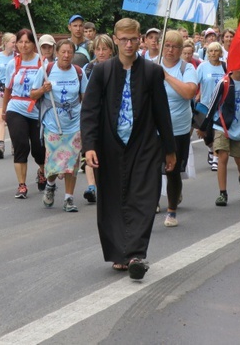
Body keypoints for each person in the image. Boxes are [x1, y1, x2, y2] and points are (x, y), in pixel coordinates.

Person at [81, 18, 176, 280]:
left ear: (141, 39)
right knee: (112, 198)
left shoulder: (151, 72)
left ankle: (135, 254)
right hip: (109, 145)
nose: (129, 44)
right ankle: (118, 253)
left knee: (144, 197)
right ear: (115, 39)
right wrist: (88, 146)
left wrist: (169, 149)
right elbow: (89, 111)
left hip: (143, 143)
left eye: (134, 39)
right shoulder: (102, 72)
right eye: (123, 39)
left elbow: (161, 112)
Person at [31, 39, 88, 212]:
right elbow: (33, 94)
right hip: (53, 124)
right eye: (63, 52)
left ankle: (69, 199)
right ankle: (50, 185)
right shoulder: (46, 71)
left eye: (69, 52)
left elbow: (85, 97)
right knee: (54, 162)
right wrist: (43, 90)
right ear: (56, 53)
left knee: (72, 163)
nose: (66, 55)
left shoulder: (78, 72)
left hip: (74, 124)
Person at [158, 30, 198, 227]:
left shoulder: (186, 68)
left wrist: (166, 76)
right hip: (154, 129)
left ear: (181, 50)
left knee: (172, 171)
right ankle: (150, 206)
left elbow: (189, 92)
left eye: (175, 46)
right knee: (150, 170)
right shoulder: (152, 65)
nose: (170, 50)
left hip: (178, 129)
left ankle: (172, 210)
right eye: (167, 45)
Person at [2, 29, 46, 197]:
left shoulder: (42, 62)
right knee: (21, 145)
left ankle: (42, 172)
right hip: (16, 107)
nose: (23, 45)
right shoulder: (12, 64)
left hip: (36, 109)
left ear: (34, 44)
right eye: (20, 42)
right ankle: (22, 185)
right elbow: (7, 88)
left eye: (27, 42)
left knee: (39, 148)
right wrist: (4, 110)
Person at [205, 70, 240, 207]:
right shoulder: (224, 82)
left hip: (239, 126)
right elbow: (213, 104)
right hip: (222, 125)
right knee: (223, 156)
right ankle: (223, 193)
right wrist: (204, 127)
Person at [81, 34, 116, 203]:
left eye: (104, 49)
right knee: (91, 150)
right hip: (94, 116)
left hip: (111, 118)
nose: (101, 53)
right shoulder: (89, 68)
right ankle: (92, 186)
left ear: (111, 50)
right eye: (98, 49)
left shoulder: (117, 67)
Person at [196, 41, 226, 171]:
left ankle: (215, 159)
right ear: (207, 53)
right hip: (206, 105)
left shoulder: (225, 67)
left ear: (220, 52)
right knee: (206, 135)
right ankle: (210, 148)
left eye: (216, 51)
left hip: (221, 106)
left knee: (218, 133)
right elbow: (195, 83)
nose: (213, 53)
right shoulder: (202, 67)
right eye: (210, 51)